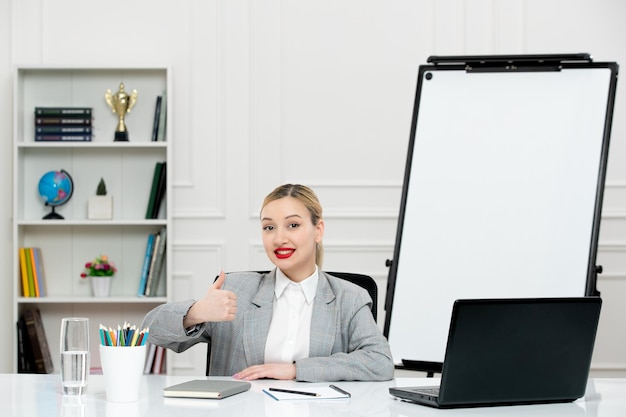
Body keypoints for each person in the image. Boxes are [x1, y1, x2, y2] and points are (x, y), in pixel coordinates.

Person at [142, 184, 394, 382]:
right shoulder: (235, 289)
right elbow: (149, 331)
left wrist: (296, 370)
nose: (279, 238)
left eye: (293, 225)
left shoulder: (350, 298)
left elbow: (380, 362)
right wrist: (196, 312)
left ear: (318, 231)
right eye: (269, 227)